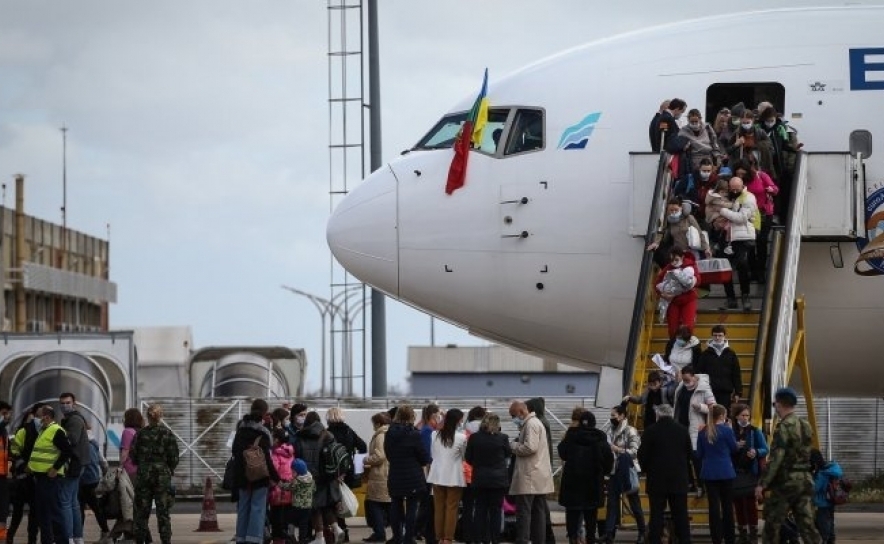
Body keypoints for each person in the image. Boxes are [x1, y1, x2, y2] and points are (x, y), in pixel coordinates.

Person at [755, 387, 821, 544]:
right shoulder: (805, 424)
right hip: (805, 479)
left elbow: (777, 458)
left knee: (772, 524)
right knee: (807, 525)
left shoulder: (783, 427)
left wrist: (763, 484)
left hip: (786, 482)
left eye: (775, 403)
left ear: (779, 404)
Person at [637, 404, 693, 544]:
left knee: (656, 514)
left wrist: (646, 469)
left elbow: (642, 455)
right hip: (678, 479)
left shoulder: (650, 431)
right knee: (681, 514)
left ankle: (655, 540)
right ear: (672, 414)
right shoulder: (683, 430)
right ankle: (684, 540)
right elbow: (689, 454)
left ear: (658, 415)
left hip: (657, 480)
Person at [557, 411, 613, 544]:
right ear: (594, 423)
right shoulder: (600, 437)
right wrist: (603, 472)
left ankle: (573, 539)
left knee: (572, 516)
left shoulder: (571, 435)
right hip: (592, 484)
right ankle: (590, 540)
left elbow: (562, 453)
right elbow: (608, 460)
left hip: (572, 484)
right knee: (591, 518)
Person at [132, 404, 179, 544]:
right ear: (160, 416)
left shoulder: (140, 434)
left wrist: (143, 464)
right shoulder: (167, 433)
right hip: (162, 476)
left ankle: (140, 540)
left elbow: (133, 456)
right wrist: (168, 468)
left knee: (141, 512)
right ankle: (166, 540)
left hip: (143, 476)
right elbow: (174, 457)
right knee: (163, 512)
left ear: (147, 416)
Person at [508, 400, 554, 544]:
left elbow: (530, 447)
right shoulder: (536, 423)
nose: (513, 419)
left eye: (513, 415)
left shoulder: (531, 424)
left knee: (524, 512)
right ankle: (538, 540)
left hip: (529, 476)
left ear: (521, 412)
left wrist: (513, 445)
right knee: (538, 512)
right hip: (538, 475)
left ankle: (523, 540)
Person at [294, 412, 344, 544]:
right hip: (328, 475)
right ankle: (337, 529)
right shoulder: (328, 435)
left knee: (315, 507)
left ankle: (319, 537)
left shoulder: (300, 436)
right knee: (326, 505)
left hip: (311, 476)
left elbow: (297, 456)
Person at [385, 405, 430, 544]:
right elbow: (424, 458)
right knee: (412, 507)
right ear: (412, 416)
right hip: (413, 476)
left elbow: (388, 454)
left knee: (395, 504)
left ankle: (397, 537)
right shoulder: (414, 434)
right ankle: (408, 537)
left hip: (395, 474)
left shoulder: (390, 433)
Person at [28, 405, 73, 544]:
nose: (36, 418)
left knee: (54, 513)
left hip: (50, 478)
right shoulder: (45, 430)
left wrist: (55, 468)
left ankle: (62, 541)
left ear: (46, 416)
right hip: (41, 478)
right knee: (44, 514)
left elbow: (67, 451)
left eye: (38, 415)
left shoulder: (56, 430)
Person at [464, 412, 511, 544]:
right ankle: (495, 539)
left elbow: (468, 458)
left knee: (480, 510)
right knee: (496, 511)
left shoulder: (474, 438)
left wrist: (479, 465)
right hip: (498, 481)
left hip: (479, 479)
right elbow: (508, 453)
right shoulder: (503, 438)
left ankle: (480, 539)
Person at [602, 404, 645, 544]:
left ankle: (642, 532)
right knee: (612, 503)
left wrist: (617, 449)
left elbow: (634, 451)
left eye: (613, 415)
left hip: (628, 470)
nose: (611, 418)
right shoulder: (610, 430)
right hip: (614, 471)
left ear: (622, 416)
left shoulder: (630, 431)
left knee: (634, 502)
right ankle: (609, 534)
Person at [696, 404, 738, 544]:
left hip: (709, 472)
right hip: (726, 471)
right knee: (727, 506)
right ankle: (730, 538)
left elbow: (700, 454)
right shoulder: (727, 431)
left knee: (713, 507)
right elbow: (734, 449)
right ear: (722, 416)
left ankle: (716, 538)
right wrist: (731, 430)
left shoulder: (702, 432)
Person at [718, 174, 759, 311]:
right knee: (725, 268)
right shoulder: (727, 196)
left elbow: (741, 218)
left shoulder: (749, 197)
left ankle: (745, 296)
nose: (734, 191)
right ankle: (730, 298)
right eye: (732, 189)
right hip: (727, 237)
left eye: (737, 189)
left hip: (743, 237)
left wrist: (723, 211)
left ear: (742, 186)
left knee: (742, 266)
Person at [672, 365, 716, 494]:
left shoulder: (704, 388)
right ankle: (689, 483)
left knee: (696, 457)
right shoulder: (681, 387)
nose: (685, 382)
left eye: (687, 379)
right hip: (681, 426)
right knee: (682, 457)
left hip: (696, 427)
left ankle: (702, 485)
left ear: (693, 376)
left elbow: (714, 408)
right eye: (683, 379)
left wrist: (701, 407)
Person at [327, 407, 368, 542]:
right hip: (348, 471)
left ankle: (338, 530)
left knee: (333, 502)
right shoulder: (349, 431)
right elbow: (363, 446)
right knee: (343, 500)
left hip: (332, 471)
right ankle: (344, 531)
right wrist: (356, 463)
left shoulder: (328, 433)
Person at [427, 409, 467, 544]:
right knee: (452, 508)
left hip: (437, 475)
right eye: (461, 419)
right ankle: (448, 538)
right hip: (454, 476)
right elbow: (463, 457)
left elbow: (432, 454)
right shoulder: (461, 437)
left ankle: (439, 537)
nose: (462, 421)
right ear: (457, 421)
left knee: (439, 507)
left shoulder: (434, 434)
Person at [730, 404, 768, 544]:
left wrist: (756, 452)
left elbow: (765, 449)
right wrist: (735, 446)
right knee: (738, 503)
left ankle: (753, 534)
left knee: (751, 503)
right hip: (734, 472)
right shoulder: (731, 431)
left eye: (747, 415)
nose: (745, 418)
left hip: (750, 472)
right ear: (736, 416)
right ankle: (742, 533)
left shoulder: (754, 431)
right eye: (742, 415)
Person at [8, 402, 44, 544]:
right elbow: (14, 452)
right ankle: (10, 535)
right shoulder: (23, 431)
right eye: (40, 414)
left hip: (38, 479)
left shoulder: (48, 431)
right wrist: (23, 466)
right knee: (18, 510)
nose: (42, 417)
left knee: (35, 512)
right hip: (24, 479)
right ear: (34, 415)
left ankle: (32, 540)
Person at [738, 157, 778, 283]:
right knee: (750, 242)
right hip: (749, 214)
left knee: (762, 241)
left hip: (764, 212)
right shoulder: (741, 180)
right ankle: (753, 270)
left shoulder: (762, 176)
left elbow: (775, 188)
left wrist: (771, 189)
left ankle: (761, 271)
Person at [524, 397, 557, 544]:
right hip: (544, 466)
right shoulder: (543, 421)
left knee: (539, 505)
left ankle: (545, 535)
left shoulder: (537, 423)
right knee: (540, 504)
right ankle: (546, 535)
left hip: (538, 467)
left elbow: (532, 447)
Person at [58, 392, 90, 544]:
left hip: (73, 464)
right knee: (73, 502)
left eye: (68, 402)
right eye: (62, 403)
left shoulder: (74, 420)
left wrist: (57, 437)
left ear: (74, 403)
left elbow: (72, 440)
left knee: (66, 501)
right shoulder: (71, 419)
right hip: (78, 463)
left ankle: (69, 537)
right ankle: (77, 537)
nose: (65, 405)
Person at [646, 198, 710, 269]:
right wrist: (656, 243)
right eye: (671, 210)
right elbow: (665, 236)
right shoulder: (670, 222)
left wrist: (706, 248)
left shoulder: (689, 218)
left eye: (676, 209)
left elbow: (700, 233)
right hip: (679, 254)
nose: (673, 212)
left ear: (681, 208)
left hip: (692, 252)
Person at [118, 407, 150, 543]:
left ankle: (132, 534)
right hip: (143, 471)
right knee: (140, 504)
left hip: (130, 471)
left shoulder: (127, 432)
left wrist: (119, 467)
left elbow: (125, 452)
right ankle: (142, 534)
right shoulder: (142, 432)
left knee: (128, 502)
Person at [695, 325, 743, 412]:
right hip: (709, 391)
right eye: (715, 335)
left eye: (720, 335)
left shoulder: (731, 354)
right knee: (709, 414)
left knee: (723, 415)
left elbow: (736, 373)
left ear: (724, 336)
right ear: (712, 336)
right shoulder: (705, 354)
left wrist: (738, 392)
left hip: (725, 392)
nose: (717, 338)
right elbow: (699, 372)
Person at [655, 248, 700, 337]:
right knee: (672, 328)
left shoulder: (691, 265)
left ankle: (686, 347)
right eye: (671, 260)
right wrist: (663, 294)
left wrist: (691, 282)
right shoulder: (668, 268)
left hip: (688, 299)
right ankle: (673, 345)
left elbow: (698, 280)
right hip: (673, 301)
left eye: (676, 260)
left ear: (682, 257)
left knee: (688, 326)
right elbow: (657, 283)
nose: (674, 263)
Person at [362, 412, 392, 543]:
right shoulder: (390, 433)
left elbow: (380, 456)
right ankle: (395, 532)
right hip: (387, 474)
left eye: (374, 423)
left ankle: (379, 533)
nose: (373, 426)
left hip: (380, 475)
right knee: (387, 505)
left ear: (378, 423)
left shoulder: (380, 435)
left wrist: (366, 460)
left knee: (375, 505)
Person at [460, 406, 487, 544]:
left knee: (467, 506)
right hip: (482, 474)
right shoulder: (487, 431)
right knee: (482, 506)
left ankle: (467, 536)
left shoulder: (464, 431)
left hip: (466, 473)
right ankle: (480, 535)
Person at [415, 404, 442, 544]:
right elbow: (427, 454)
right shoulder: (427, 431)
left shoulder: (427, 429)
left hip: (429, 472)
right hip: (428, 472)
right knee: (427, 504)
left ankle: (418, 529)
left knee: (426, 504)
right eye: (439, 414)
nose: (440, 417)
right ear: (433, 416)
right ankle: (418, 529)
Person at [79, 427, 111, 544]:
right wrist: (103, 475)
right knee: (95, 506)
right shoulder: (94, 443)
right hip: (93, 479)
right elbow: (104, 463)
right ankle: (106, 532)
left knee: (81, 507)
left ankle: (79, 536)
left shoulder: (79, 442)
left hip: (83, 479)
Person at [810, 449, 843, 544]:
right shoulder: (830, 469)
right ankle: (830, 540)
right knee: (830, 524)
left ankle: (825, 540)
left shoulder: (822, 473)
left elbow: (815, 489)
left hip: (821, 504)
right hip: (830, 502)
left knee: (823, 526)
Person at [269, 429, 295, 544]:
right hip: (289, 488)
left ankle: (278, 539)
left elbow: (273, 471)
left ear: (277, 440)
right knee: (287, 516)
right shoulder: (291, 452)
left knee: (276, 516)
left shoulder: (275, 454)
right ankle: (287, 537)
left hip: (277, 489)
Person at [726, 108, 773, 173]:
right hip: (741, 167)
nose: (745, 125)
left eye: (748, 122)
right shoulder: (736, 133)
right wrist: (736, 145)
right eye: (743, 123)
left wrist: (755, 150)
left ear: (752, 120)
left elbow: (770, 146)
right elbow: (728, 151)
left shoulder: (760, 132)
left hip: (758, 166)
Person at [0, 401, 11, 542]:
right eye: (4, 413)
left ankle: (2, 537)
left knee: (3, 508)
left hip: (2, 474)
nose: (7, 417)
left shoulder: (4, 430)